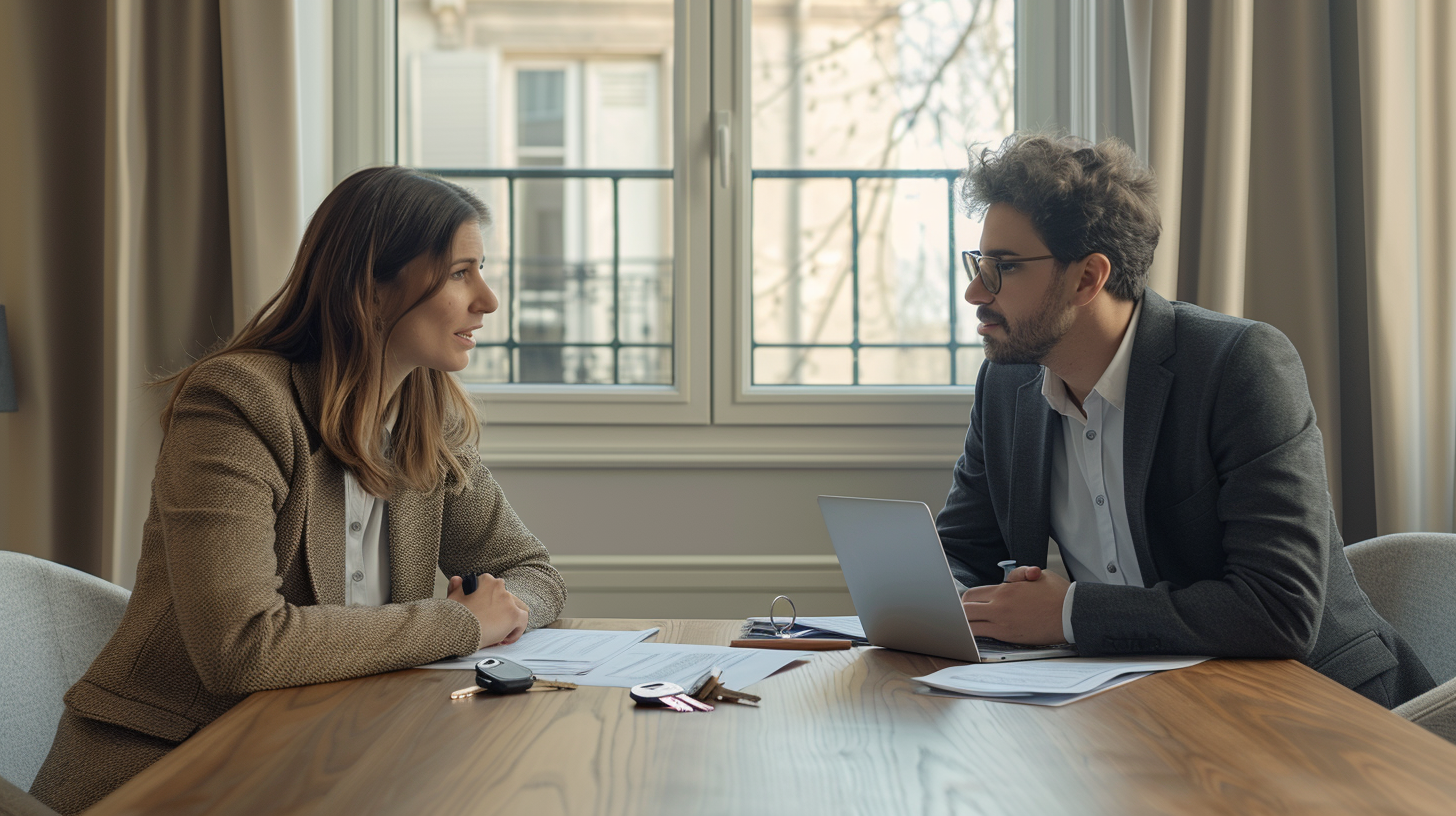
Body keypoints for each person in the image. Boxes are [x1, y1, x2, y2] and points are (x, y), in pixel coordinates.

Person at [30, 167, 567, 813]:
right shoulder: (237, 404)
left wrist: (504, 611)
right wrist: (458, 624)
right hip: (175, 766)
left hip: (338, 743)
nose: (488, 300)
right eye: (460, 273)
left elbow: (528, 570)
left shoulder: (427, 416)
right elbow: (243, 647)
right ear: (369, 287)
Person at [938, 133, 1433, 708]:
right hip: (1156, 705)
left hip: (1329, 710)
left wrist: (1070, 612)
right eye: (979, 263)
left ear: (1087, 278)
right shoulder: (1007, 386)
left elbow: (1278, 608)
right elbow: (962, 548)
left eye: (1003, 268)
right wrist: (937, 600)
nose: (976, 291)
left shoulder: (1240, 366)